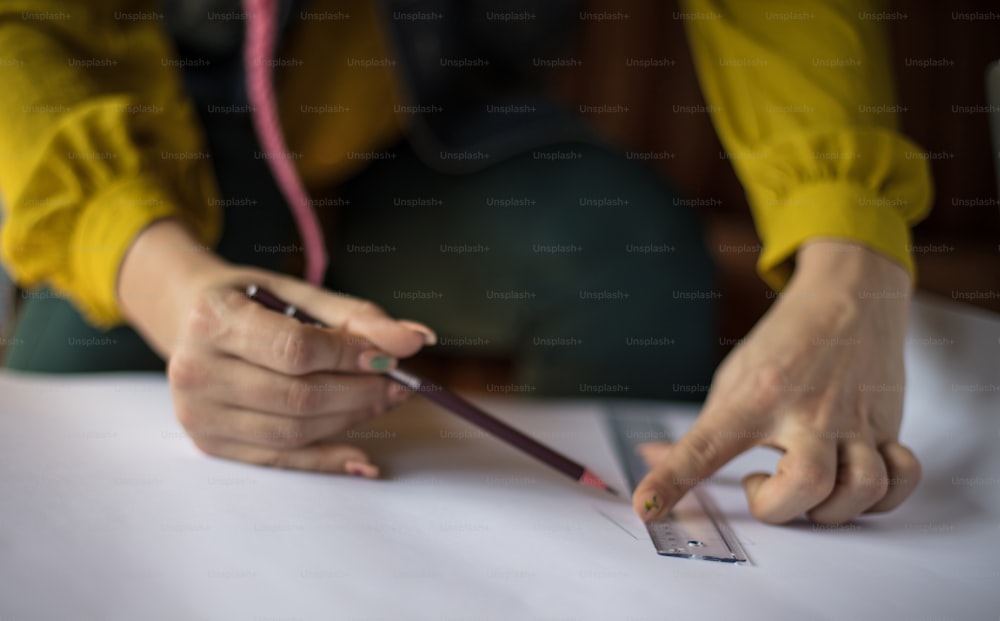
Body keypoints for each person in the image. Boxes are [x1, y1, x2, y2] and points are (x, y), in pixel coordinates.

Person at [0, 0, 930, 526]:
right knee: (72, 397)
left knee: (628, 258)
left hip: (425, 144)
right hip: (158, 163)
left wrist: (852, 260)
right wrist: (156, 276)